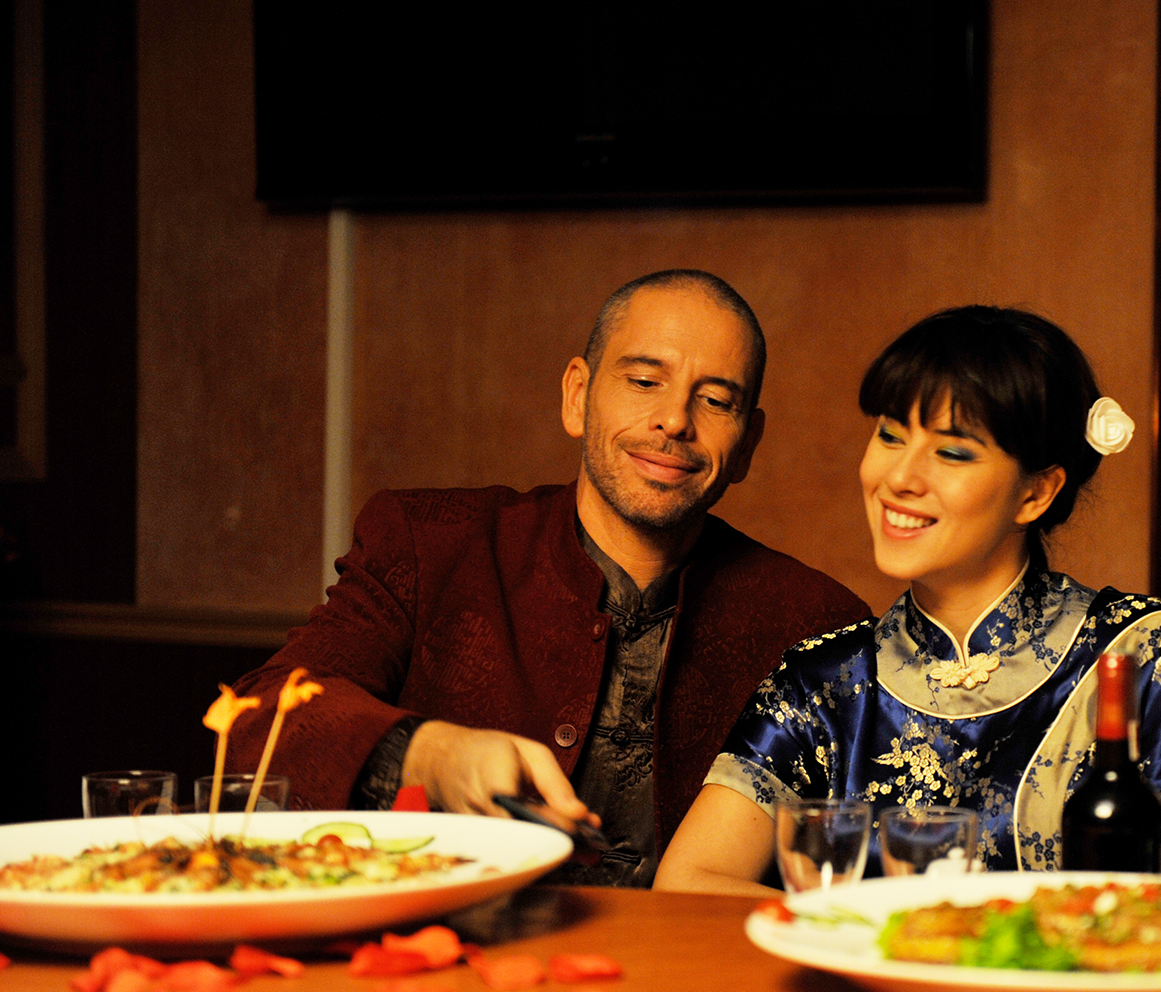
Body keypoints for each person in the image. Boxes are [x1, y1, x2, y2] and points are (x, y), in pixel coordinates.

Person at [224, 270, 871, 886]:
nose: (675, 419)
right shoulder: (429, 543)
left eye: (716, 400)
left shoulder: (818, 624)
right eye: (645, 380)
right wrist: (431, 755)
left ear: (748, 443)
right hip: (452, 950)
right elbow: (259, 720)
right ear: (577, 395)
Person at [655, 306, 1161, 896]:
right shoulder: (824, 680)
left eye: (952, 453)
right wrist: (882, 935)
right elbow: (689, 883)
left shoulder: (1147, 658)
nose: (900, 478)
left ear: (1036, 494)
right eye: (890, 436)